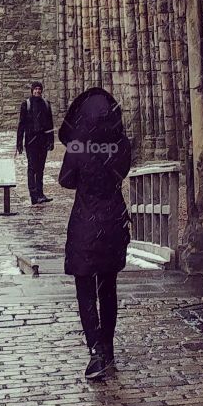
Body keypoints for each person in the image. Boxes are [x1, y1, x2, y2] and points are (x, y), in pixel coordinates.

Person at [58, 87, 132, 381]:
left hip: (86, 224)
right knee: (108, 289)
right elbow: (122, 171)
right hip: (113, 221)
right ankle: (108, 348)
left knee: (85, 290)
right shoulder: (119, 145)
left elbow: (65, 180)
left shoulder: (78, 146)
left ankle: (96, 350)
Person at [15, 81, 55, 205]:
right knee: (32, 168)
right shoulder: (26, 105)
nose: (37, 91)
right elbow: (21, 125)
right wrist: (19, 143)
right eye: (35, 89)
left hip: (42, 141)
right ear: (32, 90)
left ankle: (40, 193)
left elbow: (50, 124)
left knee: (41, 168)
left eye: (39, 89)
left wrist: (51, 140)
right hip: (31, 142)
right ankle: (33, 195)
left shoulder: (46, 104)